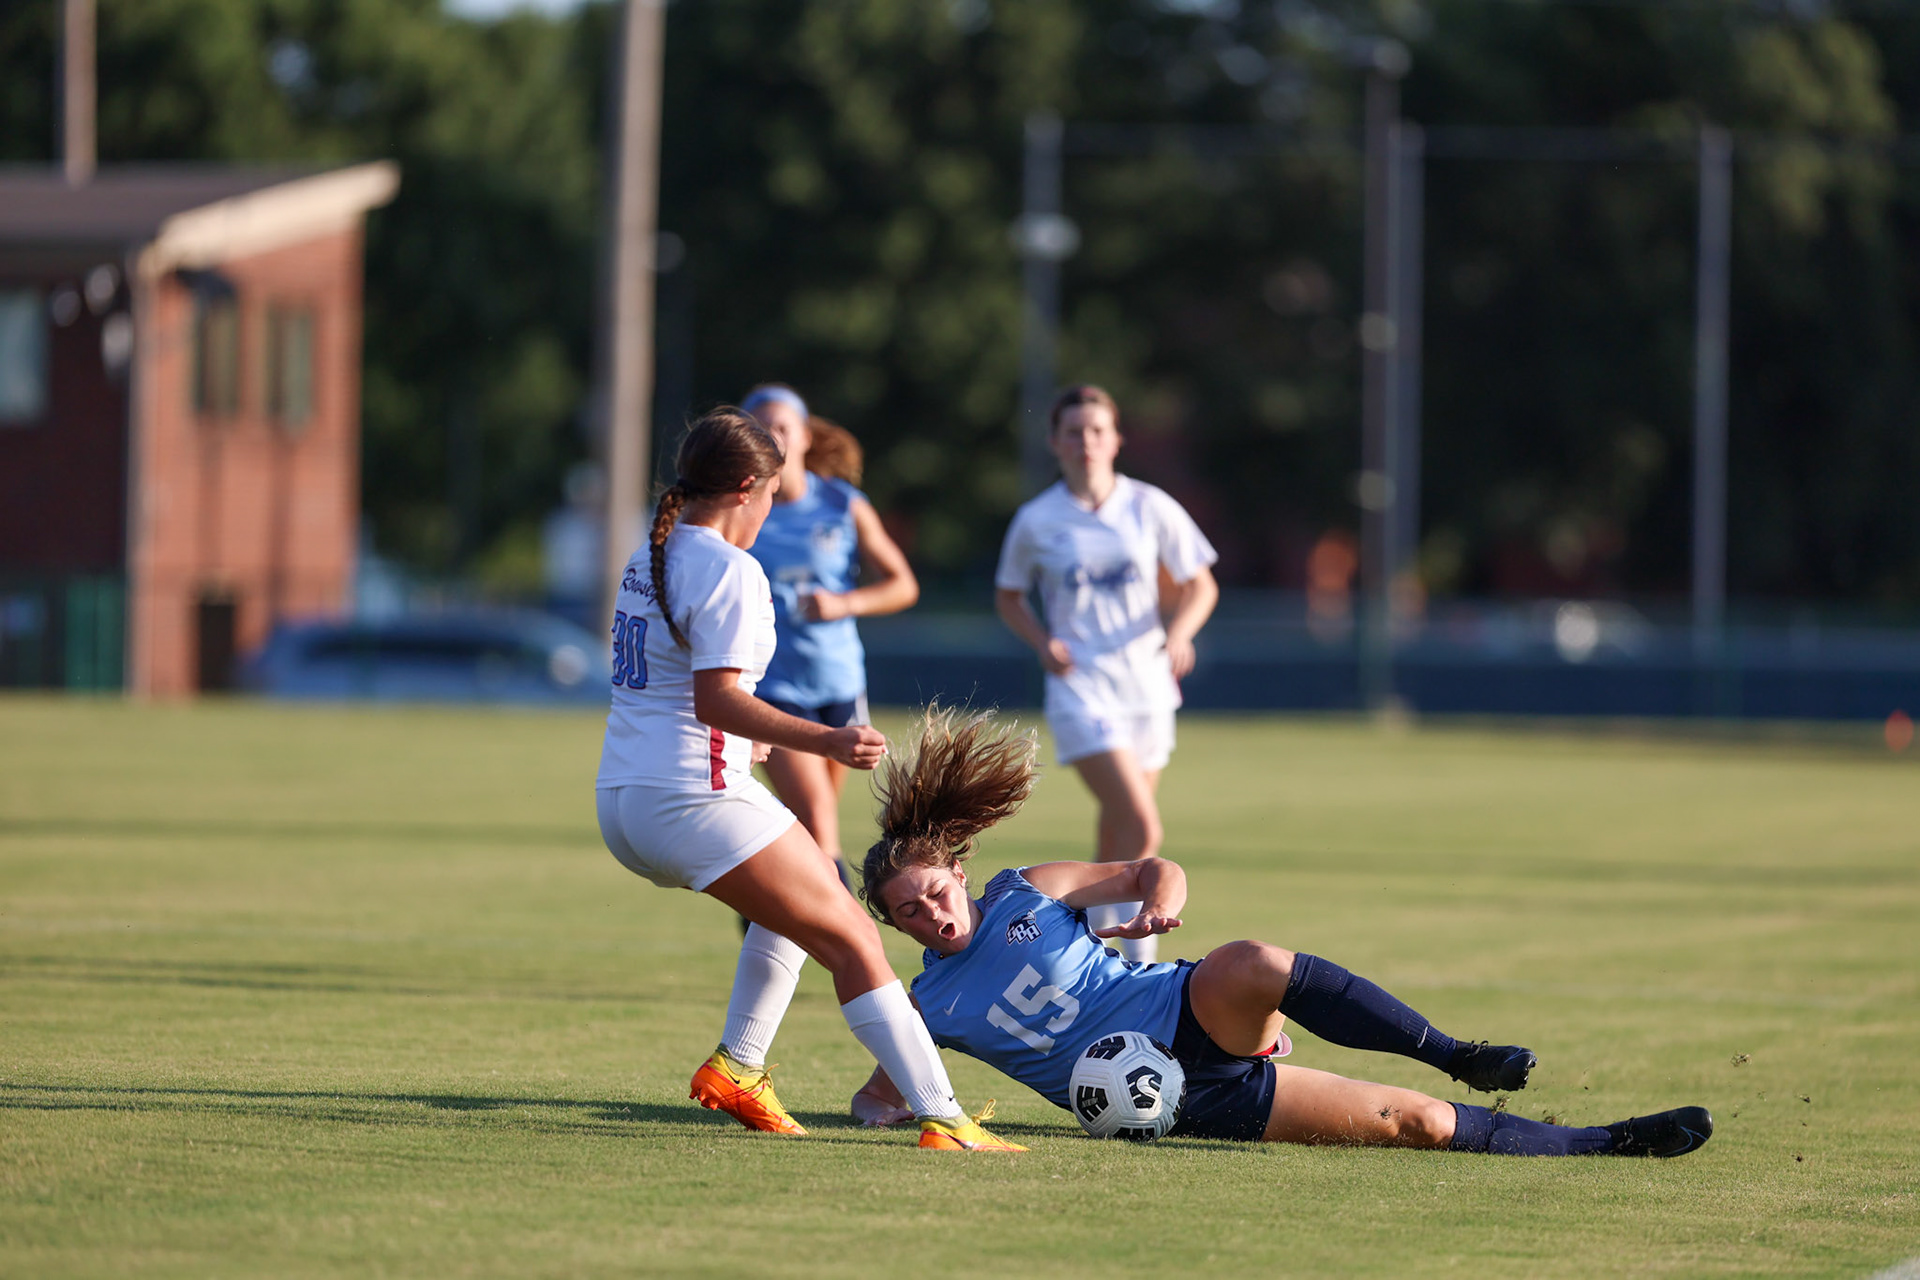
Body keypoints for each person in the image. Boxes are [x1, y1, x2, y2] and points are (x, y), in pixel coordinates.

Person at [847, 710, 1714, 1158]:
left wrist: (1161, 905)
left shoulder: (1019, 891)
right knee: (1414, 1130)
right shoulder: (926, 1002)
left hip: (1186, 1010)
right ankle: (1609, 1143)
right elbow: (886, 1091)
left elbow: (1152, 869)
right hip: (1173, 1106)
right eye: (908, 914)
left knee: (1253, 961)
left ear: (956, 872)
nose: (930, 914)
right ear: (895, 926)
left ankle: (1458, 1053)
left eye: (931, 892)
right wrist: (875, 1110)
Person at [593, 409, 1020, 1151]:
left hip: (626, 799)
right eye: (772, 495)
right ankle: (944, 1119)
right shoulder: (729, 568)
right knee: (856, 939)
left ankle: (740, 1065)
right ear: (749, 488)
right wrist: (830, 738)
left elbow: (670, 690)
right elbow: (714, 698)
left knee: (800, 902)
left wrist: (741, 743)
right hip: (692, 799)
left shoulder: (649, 556)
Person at [995, 384, 1219, 964]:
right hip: (1081, 685)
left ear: (1116, 439)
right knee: (1143, 827)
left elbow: (1201, 583)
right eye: (1074, 431)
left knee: (1119, 838)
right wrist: (1042, 641)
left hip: (1146, 684)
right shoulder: (1038, 519)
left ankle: (1089, 958)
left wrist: (1181, 633)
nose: (1086, 442)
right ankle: (1138, 970)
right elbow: (1009, 594)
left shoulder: (1149, 506)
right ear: (1055, 442)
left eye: (1097, 430)